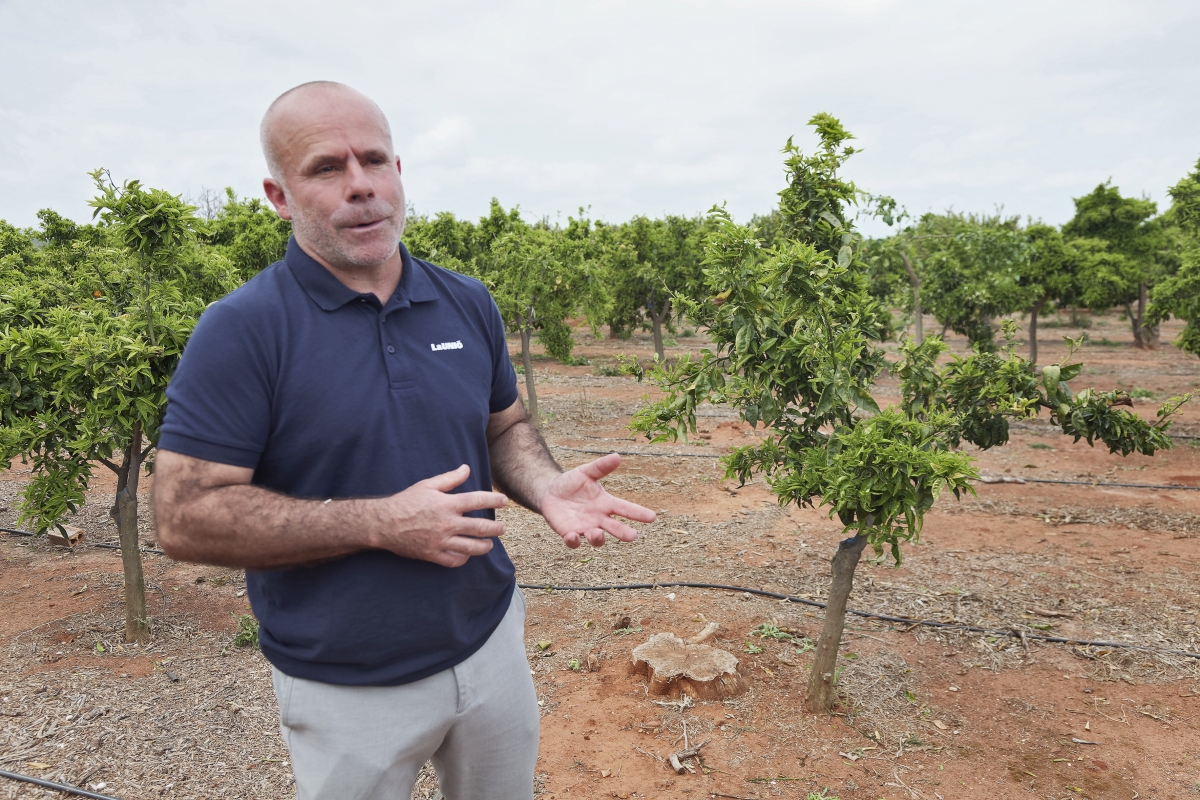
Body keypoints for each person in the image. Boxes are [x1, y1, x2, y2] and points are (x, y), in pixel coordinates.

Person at [153, 80, 656, 800]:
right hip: (345, 680)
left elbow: (503, 424)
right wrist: (379, 522)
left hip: (488, 643)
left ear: (399, 173)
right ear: (279, 195)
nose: (360, 187)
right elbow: (183, 515)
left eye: (375, 161)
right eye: (326, 168)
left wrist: (544, 485)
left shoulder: (465, 300)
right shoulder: (243, 330)